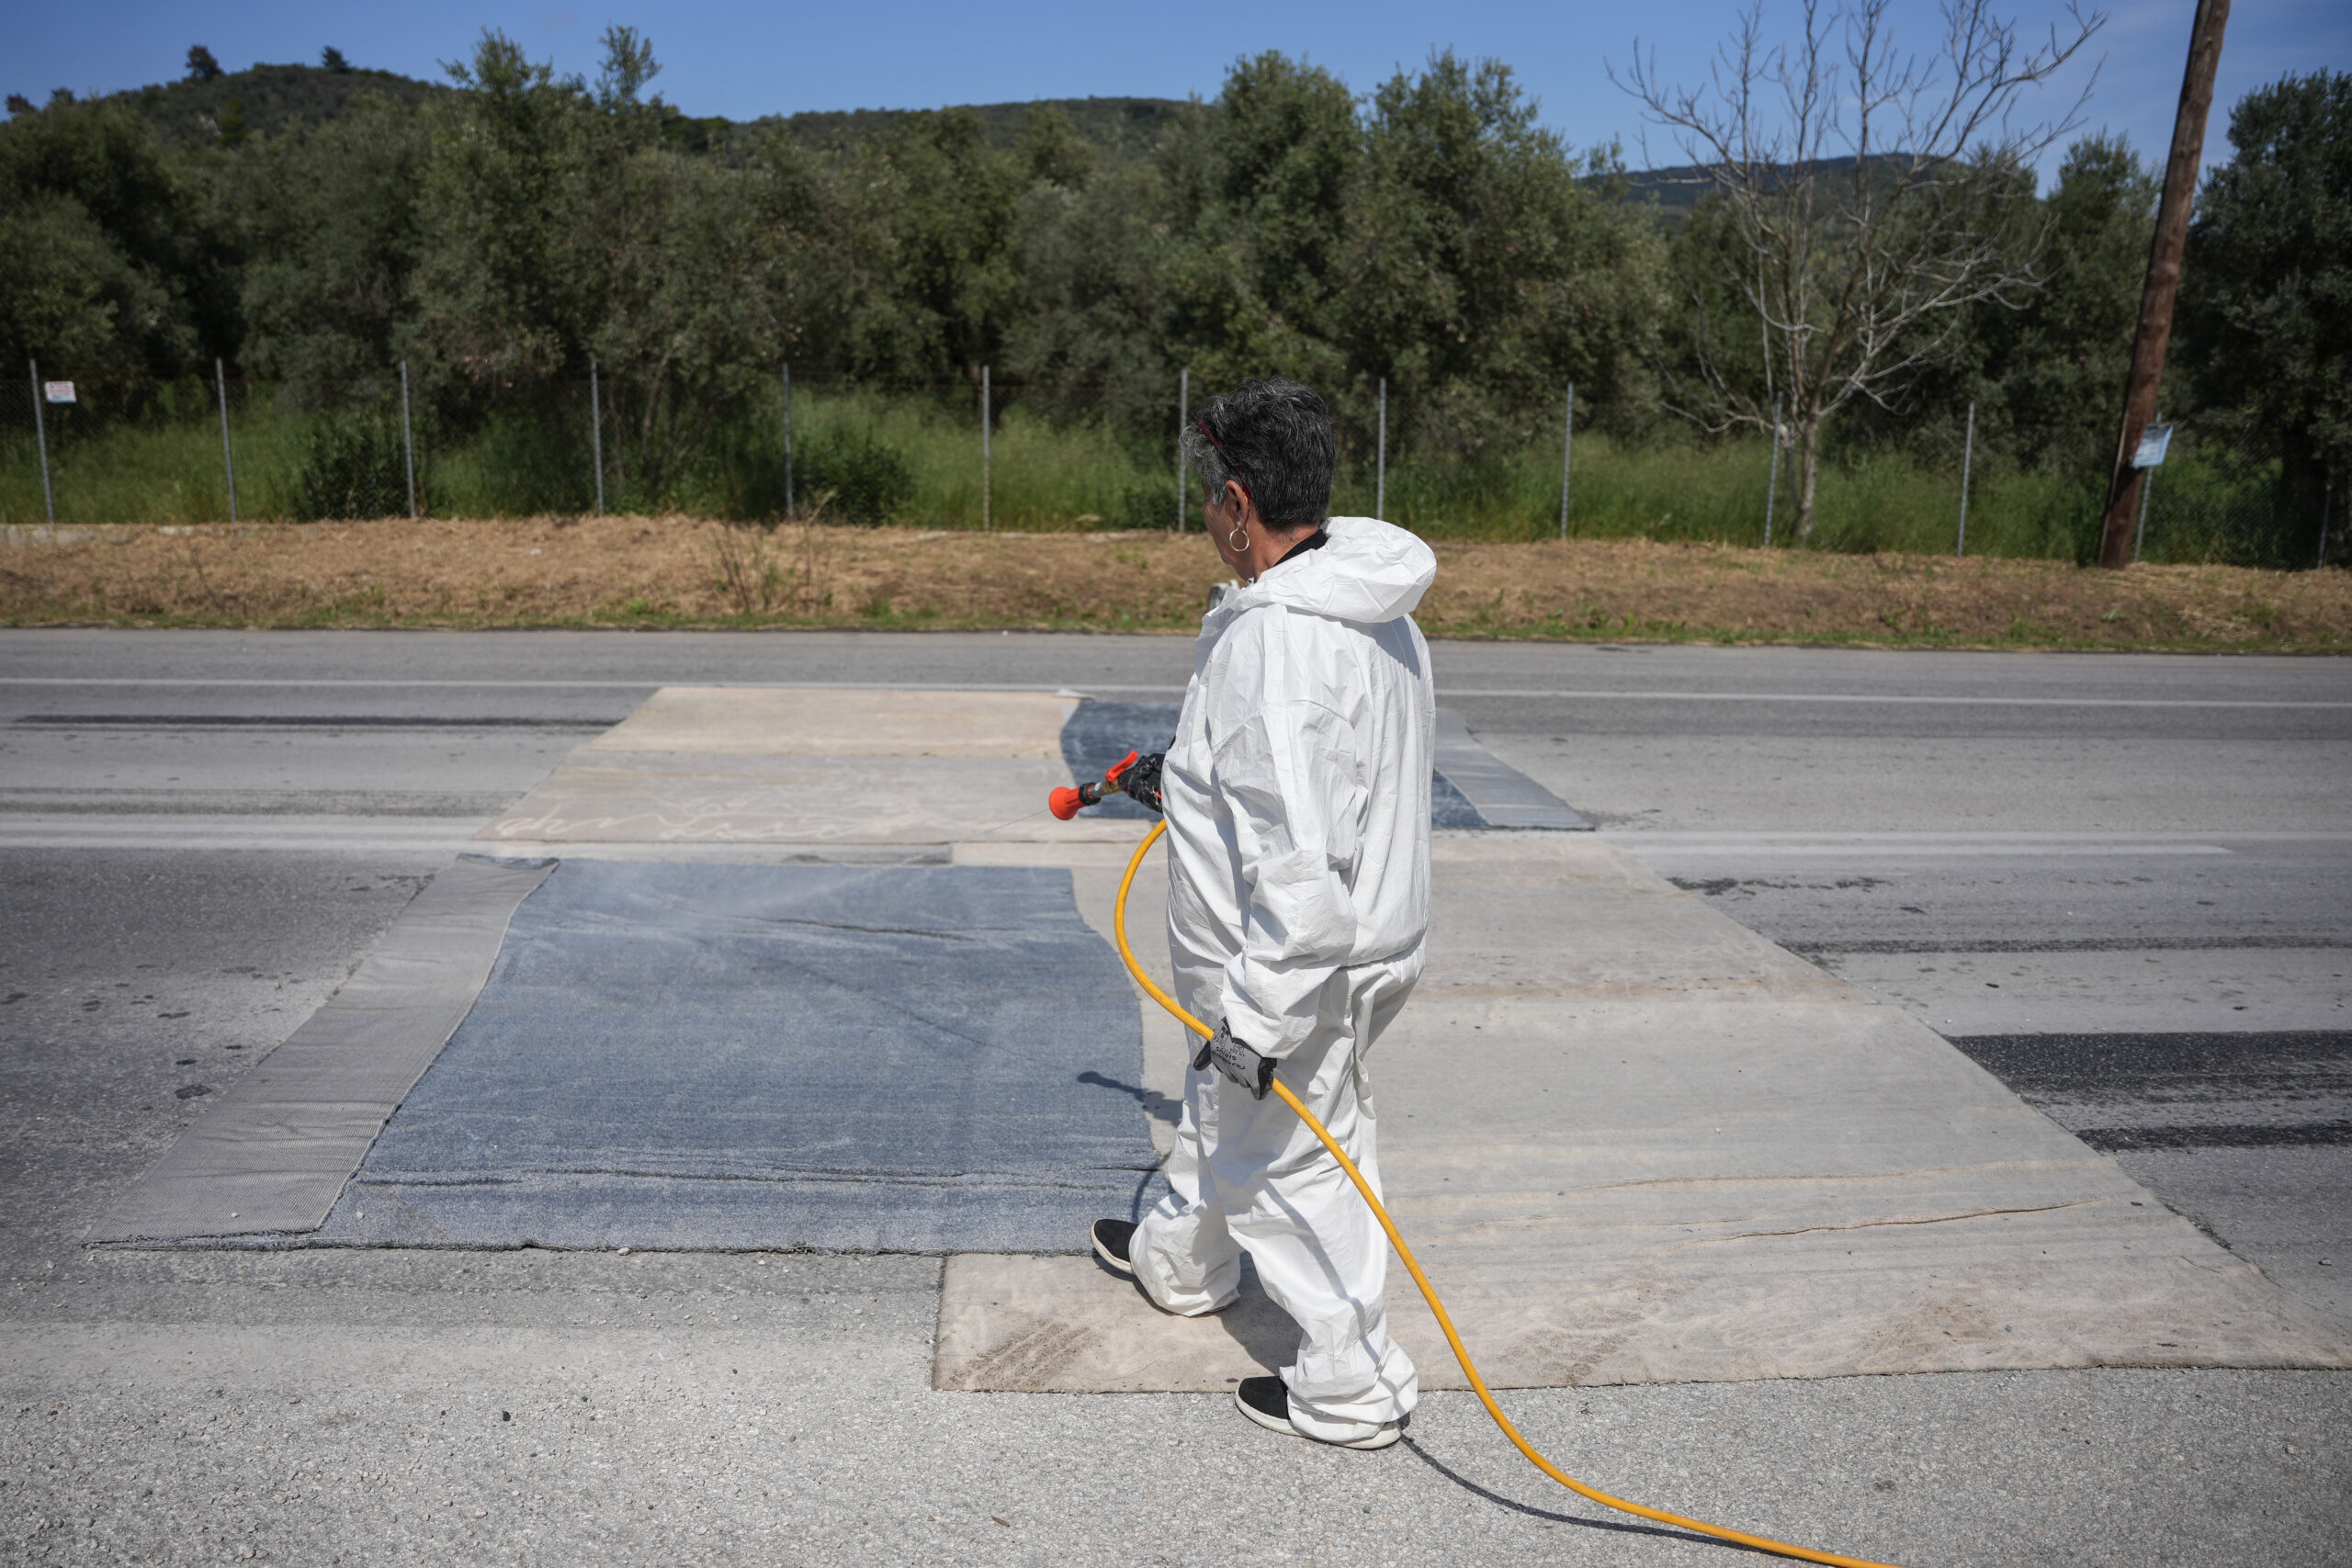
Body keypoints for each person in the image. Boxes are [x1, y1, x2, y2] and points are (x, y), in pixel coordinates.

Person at [1088, 376, 1436, 1450]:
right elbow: (1310, 787)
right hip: (1320, 951)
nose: (1205, 519)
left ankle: (1350, 1386)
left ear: (1237, 506)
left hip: (1295, 966)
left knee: (1289, 1163)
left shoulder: (1277, 648)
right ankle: (1184, 1265)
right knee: (1220, 1105)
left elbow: (1297, 872)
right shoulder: (1360, 604)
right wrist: (1183, 777)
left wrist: (1257, 1022)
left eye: (1209, 501)